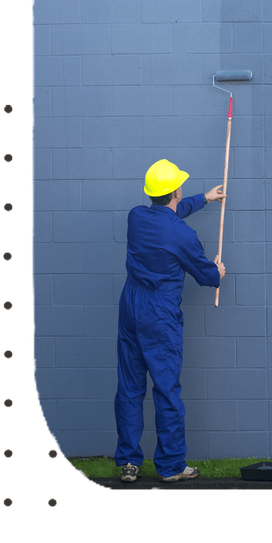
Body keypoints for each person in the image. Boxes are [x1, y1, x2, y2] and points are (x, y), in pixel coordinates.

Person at [114, 159, 226, 483]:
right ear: (177, 190)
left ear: (151, 193)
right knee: (166, 389)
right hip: (158, 314)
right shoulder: (182, 234)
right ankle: (172, 465)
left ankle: (129, 463)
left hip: (130, 306)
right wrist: (216, 272)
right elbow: (206, 275)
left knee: (130, 388)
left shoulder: (135, 217)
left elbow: (168, 215)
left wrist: (205, 198)